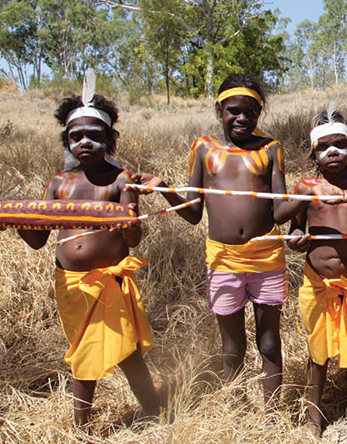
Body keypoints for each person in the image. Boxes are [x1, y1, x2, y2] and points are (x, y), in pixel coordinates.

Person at [136, 73, 312, 401]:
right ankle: (234, 406)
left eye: (251, 112)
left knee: (270, 341)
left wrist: (309, 198)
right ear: (219, 111)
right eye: (233, 111)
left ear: (259, 115)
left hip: (265, 256)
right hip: (222, 258)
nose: (242, 118)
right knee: (232, 345)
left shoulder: (270, 149)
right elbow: (192, 213)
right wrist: (162, 188)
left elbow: (277, 211)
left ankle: (273, 413)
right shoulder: (204, 148)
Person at [17, 77, 159, 426]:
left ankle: (155, 413)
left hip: (111, 282)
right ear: (66, 141)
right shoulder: (59, 183)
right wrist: (19, 220)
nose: (85, 142)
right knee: (82, 351)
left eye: (94, 136)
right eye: (76, 136)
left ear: (110, 140)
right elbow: (38, 240)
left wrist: (129, 218)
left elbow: (134, 238)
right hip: (70, 284)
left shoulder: (121, 180)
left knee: (128, 351)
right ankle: (82, 425)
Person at [277, 109, 347, 444]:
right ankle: (315, 417)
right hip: (317, 283)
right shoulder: (306, 187)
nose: (332, 152)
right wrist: (297, 241)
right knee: (319, 351)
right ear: (313, 154)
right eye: (324, 147)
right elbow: (293, 228)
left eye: (340, 145)